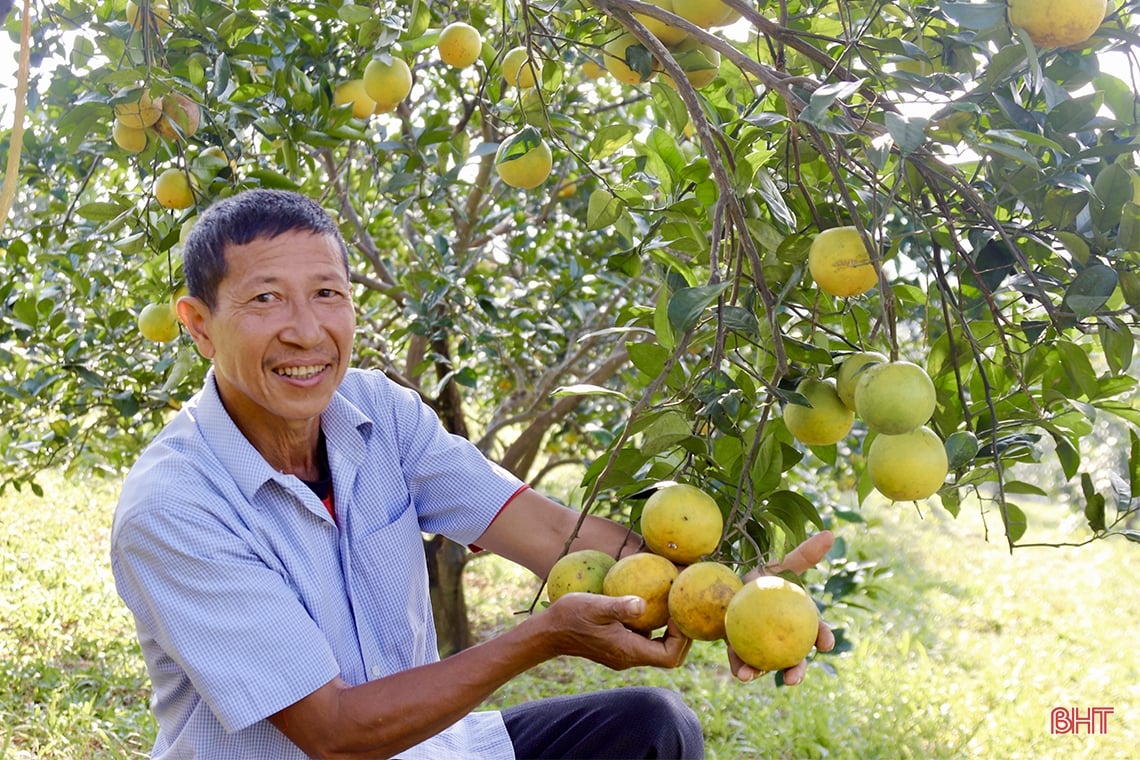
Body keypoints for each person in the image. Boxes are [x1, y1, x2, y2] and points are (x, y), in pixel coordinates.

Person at [111, 188, 835, 759]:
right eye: (266, 298)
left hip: (427, 751)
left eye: (328, 293)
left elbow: (553, 533)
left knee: (654, 728)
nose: (307, 329)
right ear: (199, 324)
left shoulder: (376, 415)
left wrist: (738, 597)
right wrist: (539, 638)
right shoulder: (175, 508)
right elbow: (332, 734)